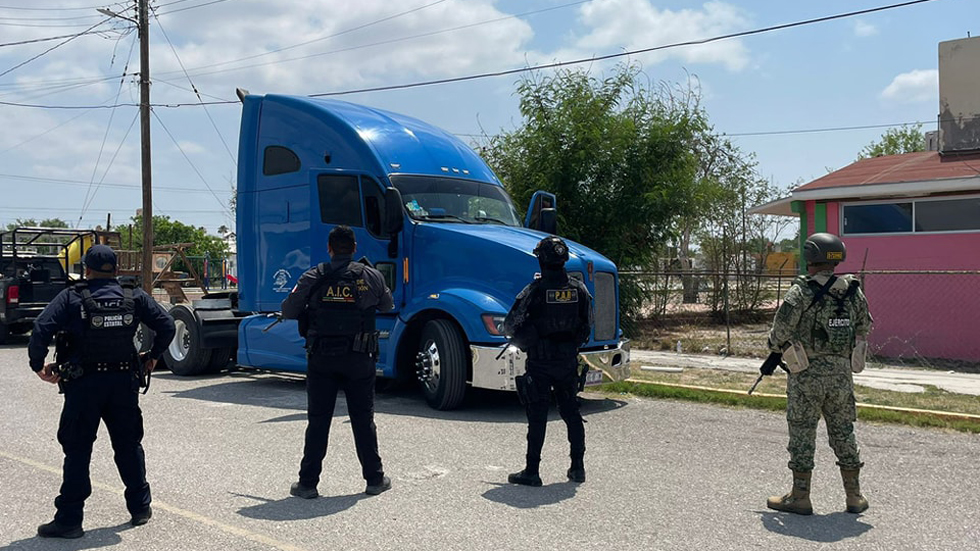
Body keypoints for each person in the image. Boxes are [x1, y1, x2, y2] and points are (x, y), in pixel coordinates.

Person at [28, 244, 176, 539]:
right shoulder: (134, 296)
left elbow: (41, 328)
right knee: (128, 445)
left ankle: (69, 520)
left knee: (78, 450)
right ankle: (140, 508)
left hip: (83, 386)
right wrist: (152, 356)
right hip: (123, 383)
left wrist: (38, 366)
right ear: (116, 270)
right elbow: (168, 325)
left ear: (87, 269)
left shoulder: (71, 297)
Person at [281, 225, 394, 498]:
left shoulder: (313, 276)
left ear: (329, 248)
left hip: (322, 359)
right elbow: (387, 305)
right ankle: (375, 479)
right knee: (363, 419)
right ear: (354, 248)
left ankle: (307, 484)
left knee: (318, 421)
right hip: (359, 358)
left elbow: (289, 309)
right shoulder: (370, 275)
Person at [764, 232, 873, 515]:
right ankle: (854, 496)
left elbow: (779, 334)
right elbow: (864, 326)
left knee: (802, 433)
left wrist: (775, 346)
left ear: (810, 257)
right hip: (841, 376)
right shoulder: (852, 291)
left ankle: (800, 497)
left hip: (806, 376)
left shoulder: (801, 292)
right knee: (843, 432)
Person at [503, 236, 593, 487]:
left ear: (541, 260)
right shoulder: (579, 289)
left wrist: (531, 333)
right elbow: (587, 325)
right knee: (571, 413)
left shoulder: (534, 291)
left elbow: (509, 326)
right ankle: (578, 468)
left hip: (540, 364)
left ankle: (532, 471)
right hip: (567, 362)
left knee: (538, 416)